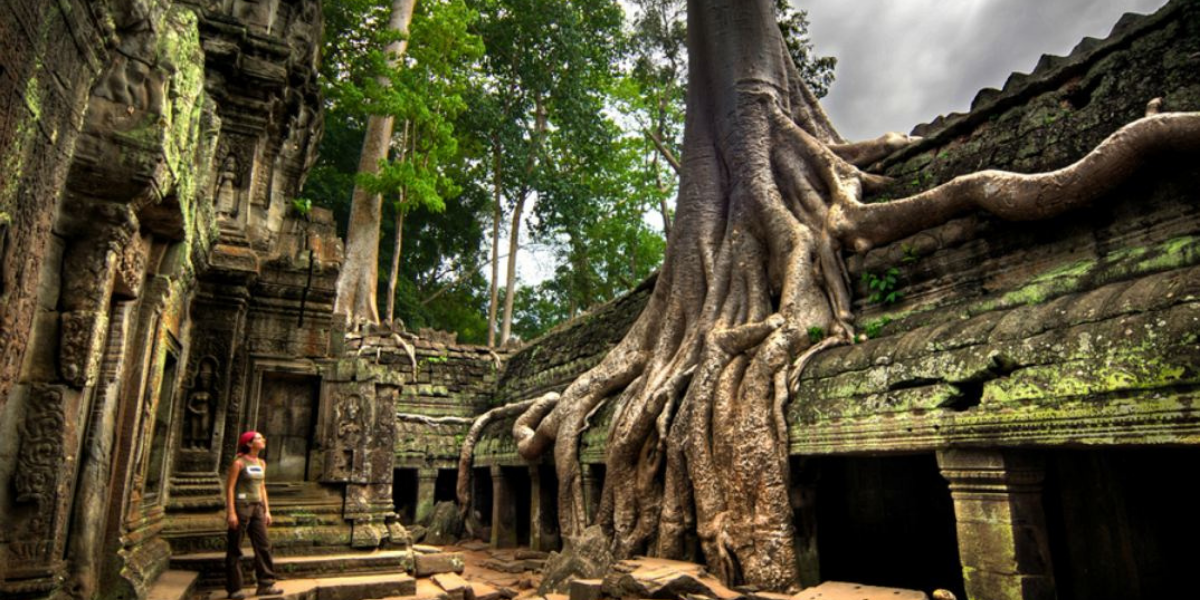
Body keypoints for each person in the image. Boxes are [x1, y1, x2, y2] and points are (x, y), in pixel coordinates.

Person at [225, 431, 283, 599]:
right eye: (258, 438)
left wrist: (267, 510)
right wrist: (231, 512)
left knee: (264, 545)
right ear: (249, 444)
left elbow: (262, 487)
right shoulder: (239, 463)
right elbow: (230, 488)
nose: (262, 440)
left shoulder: (261, 463)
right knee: (235, 547)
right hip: (241, 506)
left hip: (257, 507)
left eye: (261, 437)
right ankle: (234, 588)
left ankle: (266, 584)